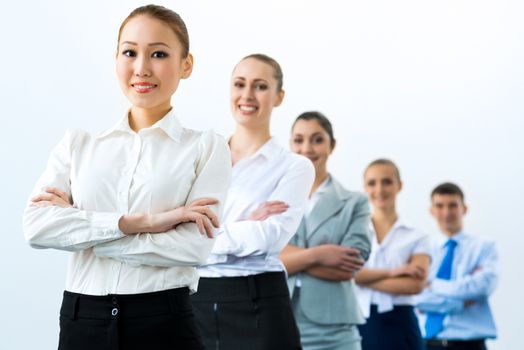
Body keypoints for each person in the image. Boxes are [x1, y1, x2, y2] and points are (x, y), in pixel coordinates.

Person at [22, 5, 231, 349]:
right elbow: (37, 227)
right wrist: (144, 222)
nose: (141, 68)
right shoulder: (78, 145)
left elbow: (193, 247)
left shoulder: (206, 147)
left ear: (186, 65)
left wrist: (82, 231)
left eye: (159, 54)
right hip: (81, 320)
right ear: (116, 59)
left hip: (164, 321)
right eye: (129, 52)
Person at [191, 54, 315, 350]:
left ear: (279, 96)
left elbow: (269, 238)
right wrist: (242, 227)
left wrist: (198, 238)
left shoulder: (294, 166)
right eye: (239, 84)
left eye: (260, 86)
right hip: (194, 299)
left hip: (259, 298)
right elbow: (167, 231)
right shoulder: (198, 158)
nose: (247, 95)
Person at [280, 111, 372, 350]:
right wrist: (319, 255)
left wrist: (288, 256)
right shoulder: (274, 198)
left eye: (317, 139)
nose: (307, 148)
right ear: (290, 145)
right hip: (279, 321)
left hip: (336, 333)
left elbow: (350, 263)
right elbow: (261, 258)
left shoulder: (354, 202)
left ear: (332, 145)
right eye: (299, 140)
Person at [355, 159, 431, 350]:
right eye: (372, 183)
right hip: (360, 322)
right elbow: (347, 274)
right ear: (365, 187)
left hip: (402, 324)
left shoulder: (416, 235)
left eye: (387, 182)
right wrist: (394, 272)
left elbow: (415, 285)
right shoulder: (353, 231)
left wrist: (362, 278)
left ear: (399, 185)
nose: (379, 189)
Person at [416, 182, 498, 350]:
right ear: (431, 211)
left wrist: (432, 284)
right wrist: (461, 302)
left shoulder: (484, 247)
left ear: (464, 209)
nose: (446, 212)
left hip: (470, 344)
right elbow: (415, 297)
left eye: (453, 205)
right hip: (428, 344)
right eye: (440, 206)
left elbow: (482, 287)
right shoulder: (421, 248)